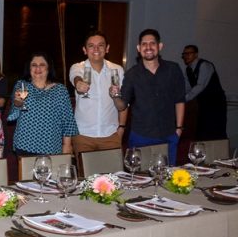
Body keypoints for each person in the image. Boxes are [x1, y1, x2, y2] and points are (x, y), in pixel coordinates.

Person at [113, 29, 186, 164]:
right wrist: (115, 96)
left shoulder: (173, 69)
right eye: (144, 44)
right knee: (139, 174)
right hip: (141, 136)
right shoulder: (132, 74)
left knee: (168, 175)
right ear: (139, 48)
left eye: (152, 43)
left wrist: (179, 129)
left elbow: (180, 100)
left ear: (160, 46)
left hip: (169, 134)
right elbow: (122, 106)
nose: (148, 47)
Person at [8, 52, 78, 155]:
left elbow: (67, 121)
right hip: (24, 145)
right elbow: (15, 109)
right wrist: (18, 102)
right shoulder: (22, 85)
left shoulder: (60, 90)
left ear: (48, 68)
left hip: (51, 147)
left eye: (42, 65)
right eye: (34, 65)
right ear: (29, 68)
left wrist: (67, 145)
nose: (38, 68)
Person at [69, 31, 127, 153]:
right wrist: (79, 83)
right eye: (91, 46)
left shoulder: (117, 70)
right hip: (82, 135)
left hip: (111, 135)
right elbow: (76, 76)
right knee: (85, 167)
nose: (96, 49)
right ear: (85, 50)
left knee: (112, 167)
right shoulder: (78, 67)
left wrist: (121, 128)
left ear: (107, 48)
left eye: (100, 45)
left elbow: (124, 104)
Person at [181, 44, 227, 140]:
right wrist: (179, 97)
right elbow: (186, 88)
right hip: (203, 103)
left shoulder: (205, 65)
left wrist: (184, 99)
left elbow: (200, 86)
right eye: (184, 54)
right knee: (203, 130)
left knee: (216, 129)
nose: (186, 56)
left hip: (215, 103)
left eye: (189, 53)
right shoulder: (188, 70)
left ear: (196, 54)